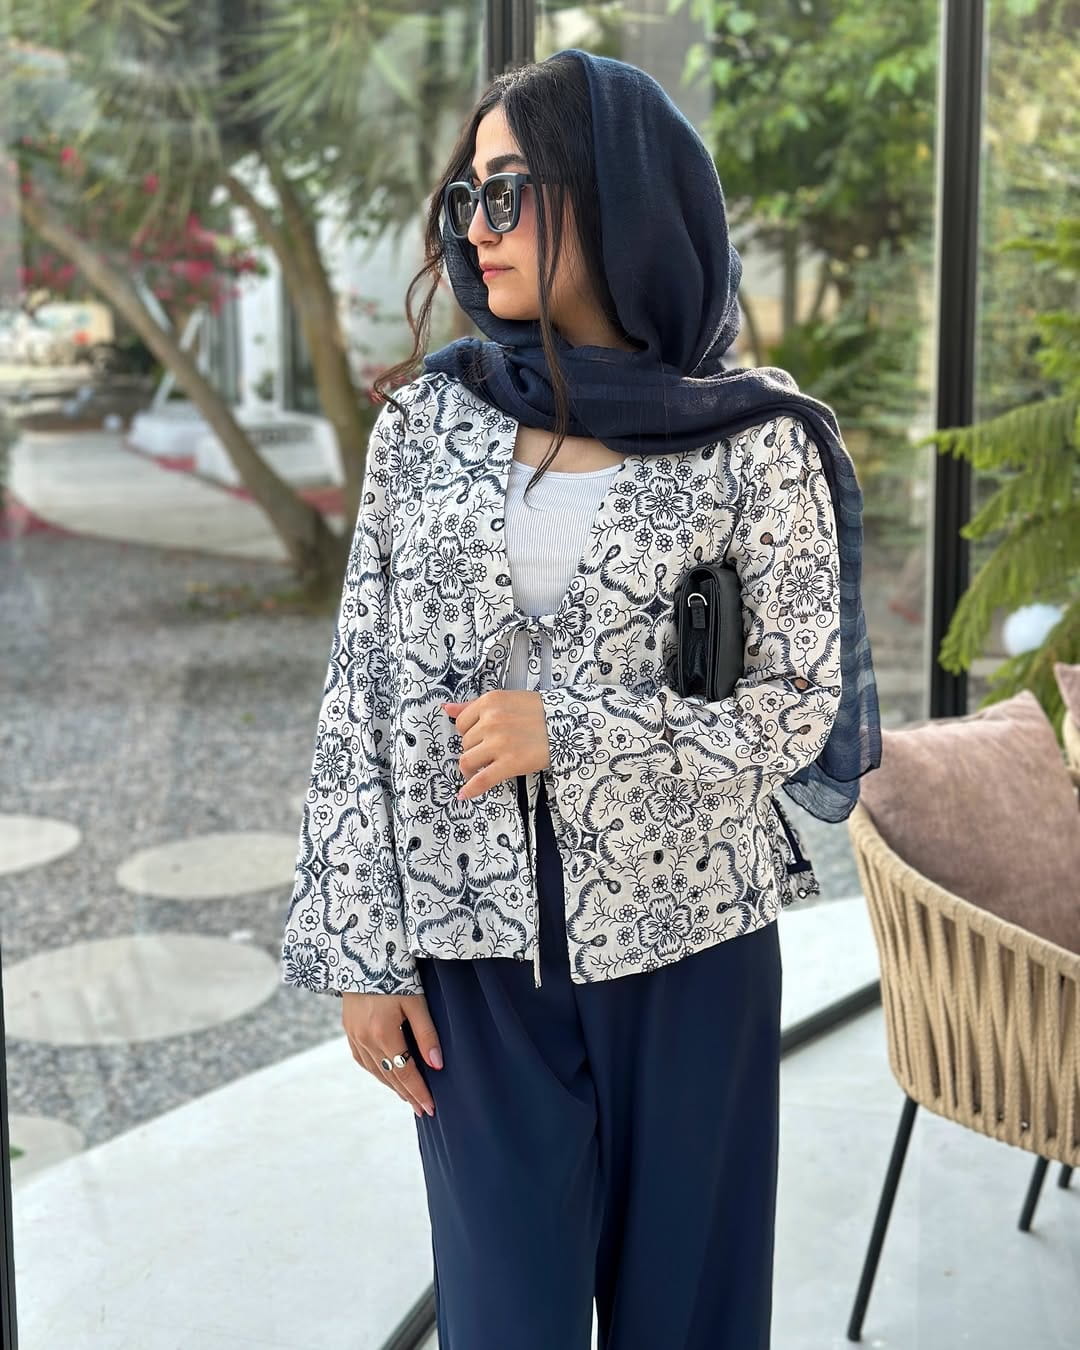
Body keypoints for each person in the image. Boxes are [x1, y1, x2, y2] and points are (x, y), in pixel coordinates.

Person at [280, 48, 881, 1350]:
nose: (475, 227)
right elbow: (359, 691)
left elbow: (795, 704)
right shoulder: (426, 425)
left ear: (613, 195)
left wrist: (576, 733)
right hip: (472, 952)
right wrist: (360, 955)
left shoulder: (754, 440)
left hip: (692, 939)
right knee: (506, 1317)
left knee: (692, 1316)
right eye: (465, 198)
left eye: (507, 191)